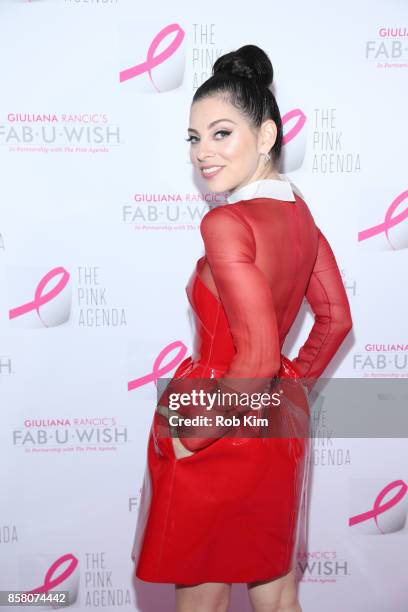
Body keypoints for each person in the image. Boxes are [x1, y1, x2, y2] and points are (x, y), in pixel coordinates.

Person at [132, 44, 353, 612]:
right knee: (277, 595)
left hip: (217, 417)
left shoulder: (226, 223)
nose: (203, 153)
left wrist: (193, 436)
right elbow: (334, 320)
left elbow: (251, 359)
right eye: (194, 138)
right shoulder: (300, 214)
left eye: (222, 133)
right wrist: (291, 384)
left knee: (202, 600)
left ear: (269, 135)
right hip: (274, 425)